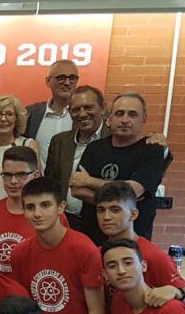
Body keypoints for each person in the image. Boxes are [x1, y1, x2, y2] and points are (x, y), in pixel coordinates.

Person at [9, 177, 107, 314]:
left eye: (45, 205)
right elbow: (24, 308)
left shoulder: (83, 249)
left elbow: (98, 312)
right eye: (30, 207)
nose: (37, 213)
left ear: (61, 207)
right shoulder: (19, 253)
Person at [72, 92, 172, 242]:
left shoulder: (152, 150)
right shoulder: (94, 148)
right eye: (119, 114)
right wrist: (122, 205)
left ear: (143, 118)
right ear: (110, 118)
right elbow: (77, 189)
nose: (125, 120)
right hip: (92, 236)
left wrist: (89, 181)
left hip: (132, 239)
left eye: (132, 114)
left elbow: (134, 190)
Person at [94, 180, 185, 314]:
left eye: (115, 210)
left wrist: (177, 294)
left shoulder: (155, 257)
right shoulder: (96, 254)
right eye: (101, 210)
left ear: (133, 214)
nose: (106, 217)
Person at [44, 85, 110, 234]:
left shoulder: (115, 139)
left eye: (88, 107)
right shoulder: (59, 141)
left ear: (103, 108)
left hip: (103, 223)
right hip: (66, 222)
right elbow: (51, 183)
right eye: (75, 109)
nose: (82, 114)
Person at [0, 146, 44, 275]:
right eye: (7, 175)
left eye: (21, 175)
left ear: (36, 175)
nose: (13, 181)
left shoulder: (50, 216)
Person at [25, 59, 80, 166]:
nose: (67, 83)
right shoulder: (32, 113)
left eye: (72, 78)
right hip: (39, 182)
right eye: (61, 78)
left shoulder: (84, 116)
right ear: (47, 81)